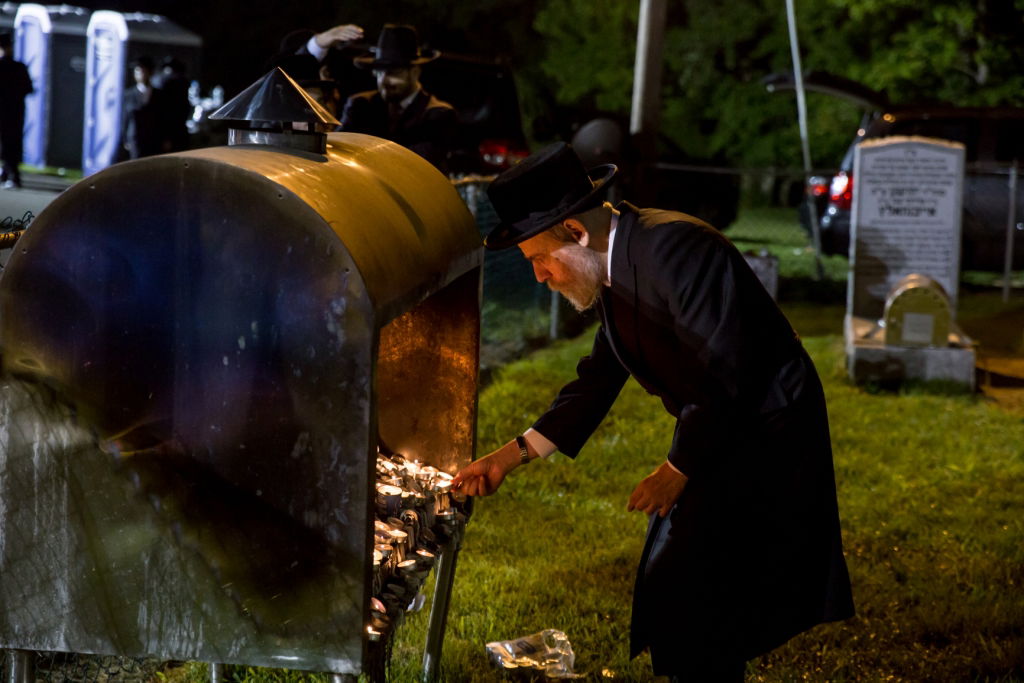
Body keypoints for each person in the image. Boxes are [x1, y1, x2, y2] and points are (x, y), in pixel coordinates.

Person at [452, 143, 855, 681]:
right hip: (718, 425)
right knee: (691, 591)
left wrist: (677, 469)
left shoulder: (676, 249)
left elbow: (727, 367)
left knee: (700, 588)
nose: (540, 277)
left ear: (575, 232)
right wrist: (511, 455)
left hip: (766, 428)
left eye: (539, 259)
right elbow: (600, 374)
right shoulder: (616, 262)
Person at [339, 24, 456, 172]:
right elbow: (338, 150)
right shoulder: (360, 105)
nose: (384, 81)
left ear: (414, 73)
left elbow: (415, 162)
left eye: (393, 73)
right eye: (379, 73)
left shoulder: (438, 114)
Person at [0, 32, 33, 189]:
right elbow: (29, 88)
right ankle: (10, 173)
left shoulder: (13, 67)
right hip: (15, 111)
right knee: (12, 143)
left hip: (8, 112)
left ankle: (10, 173)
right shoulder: (19, 67)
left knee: (8, 143)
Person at [121, 56, 162, 160]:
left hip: (153, 140)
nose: (141, 74)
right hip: (135, 139)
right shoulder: (128, 95)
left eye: (144, 71)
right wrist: (125, 138)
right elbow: (124, 118)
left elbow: (164, 117)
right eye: (138, 71)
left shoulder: (160, 95)